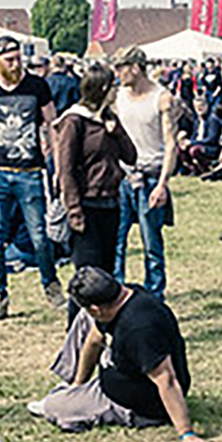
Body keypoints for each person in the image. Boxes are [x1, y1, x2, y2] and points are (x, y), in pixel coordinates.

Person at [29, 267, 214, 442]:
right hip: (121, 370)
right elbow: (94, 338)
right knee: (83, 319)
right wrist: (78, 383)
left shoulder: (140, 329)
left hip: (138, 404)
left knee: (53, 406)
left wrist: (186, 433)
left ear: (96, 309)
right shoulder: (125, 294)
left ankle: (73, 400)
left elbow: (167, 380)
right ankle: (75, 389)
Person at [0, 36, 62, 322]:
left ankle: (51, 284)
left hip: (31, 171)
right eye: (9, 59)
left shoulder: (37, 85)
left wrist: (56, 166)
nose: (16, 63)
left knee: (40, 237)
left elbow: (52, 126)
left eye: (18, 58)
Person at [54, 62, 136, 279]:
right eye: (113, 86)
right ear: (102, 89)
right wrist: (74, 211)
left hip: (111, 203)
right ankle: (77, 315)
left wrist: (117, 132)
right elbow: (66, 169)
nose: (117, 91)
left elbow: (130, 156)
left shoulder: (108, 118)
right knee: (88, 276)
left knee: (107, 274)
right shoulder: (74, 121)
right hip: (86, 205)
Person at [112, 46, 180, 295]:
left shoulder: (161, 97)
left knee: (151, 243)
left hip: (151, 177)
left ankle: (155, 294)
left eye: (121, 67)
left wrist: (163, 184)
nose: (118, 72)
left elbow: (171, 144)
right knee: (116, 241)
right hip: (122, 177)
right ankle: (115, 293)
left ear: (136, 68)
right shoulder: (117, 96)